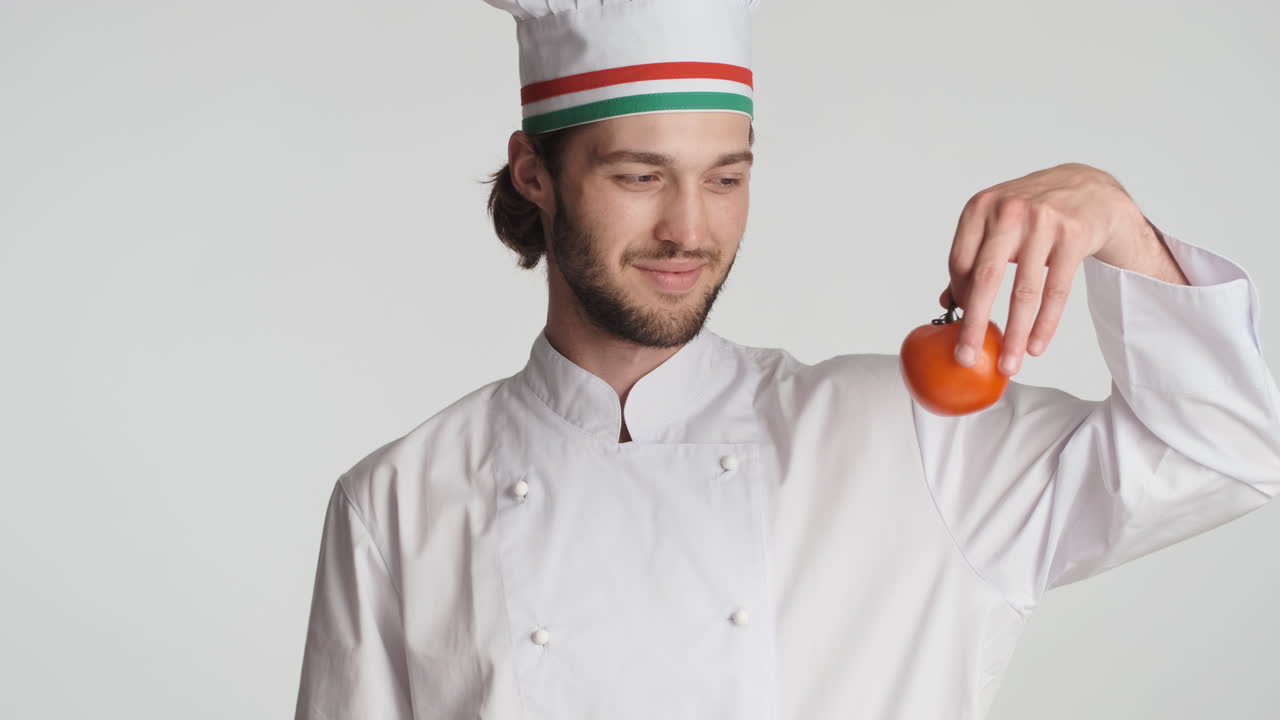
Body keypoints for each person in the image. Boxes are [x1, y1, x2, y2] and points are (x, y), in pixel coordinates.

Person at [294, 1, 1280, 718]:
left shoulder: (911, 437)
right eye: (639, 176)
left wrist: (1112, 220)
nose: (688, 228)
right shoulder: (398, 501)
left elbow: (1224, 452)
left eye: (724, 178)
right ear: (533, 173)